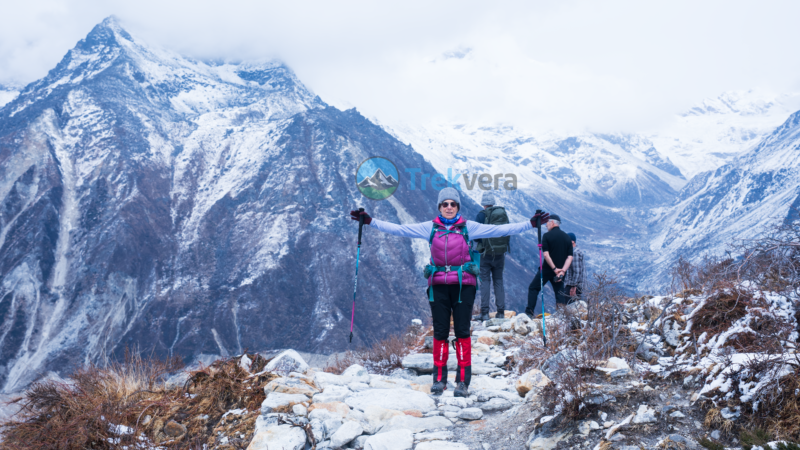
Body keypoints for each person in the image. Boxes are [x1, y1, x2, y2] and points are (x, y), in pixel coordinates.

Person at [351, 187, 548, 397]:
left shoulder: (469, 227)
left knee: (462, 332)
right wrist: (370, 221)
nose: (449, 207)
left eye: (453, 204)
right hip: (438, 286)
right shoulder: (430, 227)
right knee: (440, 332)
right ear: (439, 207)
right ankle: (439, 379)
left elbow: (499, 230)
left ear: (457, 207)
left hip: (464, 286)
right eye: (445, 204)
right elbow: (400, 229)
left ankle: (462, 381)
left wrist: (530, 224)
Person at [526, 214, 573, 318]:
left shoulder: (546, 236)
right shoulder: (567, 237)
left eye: (547, 222)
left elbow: (546, 255)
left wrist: (554, 268)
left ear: (552, 222)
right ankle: (561, 316)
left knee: (533, 288)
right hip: (560, 271)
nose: (546, 225)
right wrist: (562, 271)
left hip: (547, 269)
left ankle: (529, 313)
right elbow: (570, 257)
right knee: (559, 292)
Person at [474, 190, 510, 322]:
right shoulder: (501, 214)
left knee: (485, 282)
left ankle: (484, 313)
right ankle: (500, 312)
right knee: (498, 281)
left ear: (483, 203)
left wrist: (482, 243)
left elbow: (476, 236)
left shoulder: (481, 215)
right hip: (500, 254)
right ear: (493, 203)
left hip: (486, 254)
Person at [563, 232, 586, 302]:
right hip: (574, 285)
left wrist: (573, 287)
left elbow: (577, 271)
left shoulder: (574, 253)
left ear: (572, 241)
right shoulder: (574, 251)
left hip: (573, 286)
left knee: (571, 306)